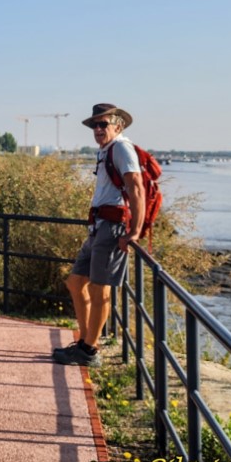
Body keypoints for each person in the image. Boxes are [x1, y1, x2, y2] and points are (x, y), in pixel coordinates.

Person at [54, 103, 146, 367]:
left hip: (112, 227)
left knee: (98, 288)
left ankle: (89, 350)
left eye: (103, 124)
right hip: (98, 227)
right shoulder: (106, 150)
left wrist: (135, 231)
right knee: (75, 282)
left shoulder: (121, 147)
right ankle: (85, 339)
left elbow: (136, 188)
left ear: (118, 126)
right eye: (95, 125)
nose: (97, 129)